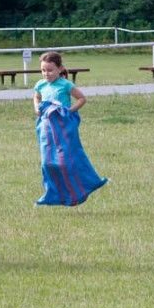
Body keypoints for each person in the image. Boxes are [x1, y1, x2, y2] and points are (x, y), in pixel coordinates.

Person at [33, 49, 106, 207]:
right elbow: (37, 96)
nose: (46, 74)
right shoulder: (40, 84)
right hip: (46, 128)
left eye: (50, 70)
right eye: (43, 70)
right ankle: (52, 194)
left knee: (66, 162)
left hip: (63, 127)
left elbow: (81, 99)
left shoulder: (66, 85)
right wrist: (36, 107)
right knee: (47, 163)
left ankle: (79, 190)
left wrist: (69, 111)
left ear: (60, 69)